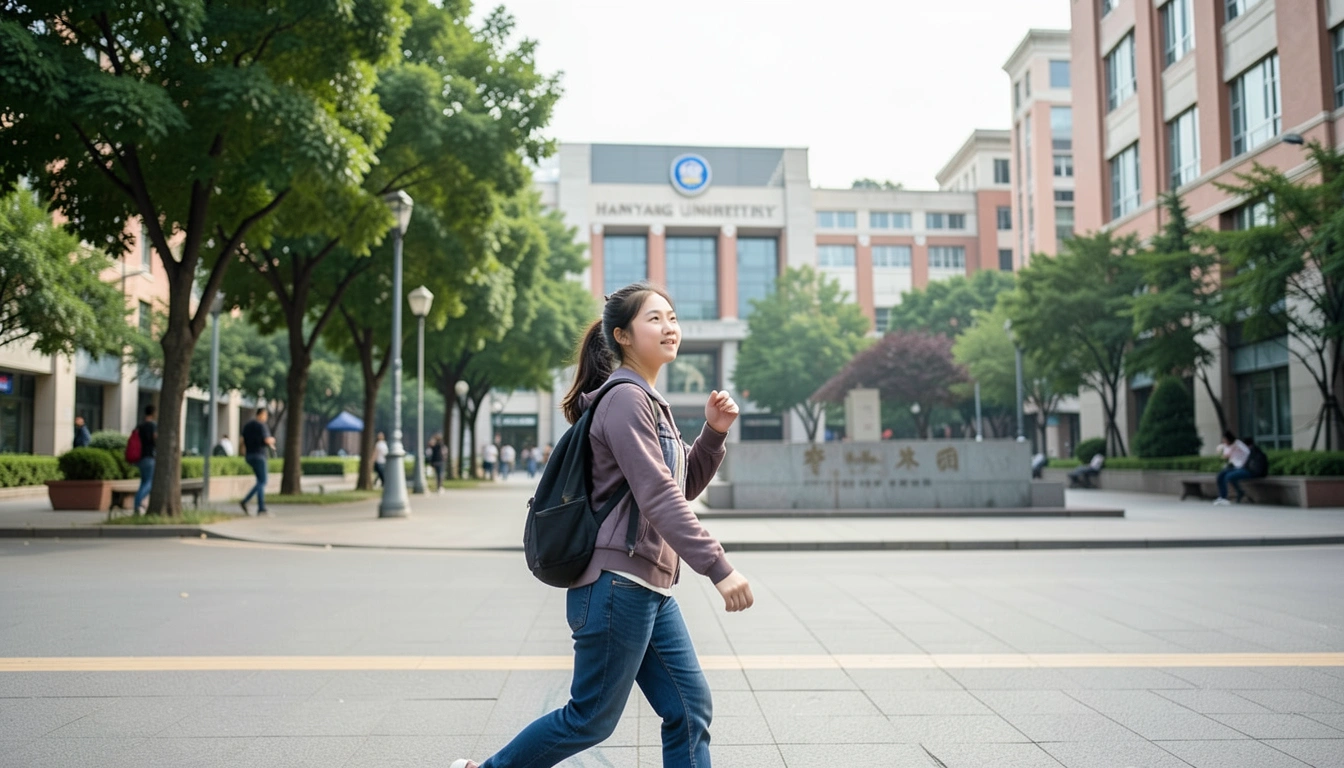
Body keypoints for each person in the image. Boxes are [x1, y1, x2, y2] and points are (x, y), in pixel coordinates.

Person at [450, 282, 752, 768]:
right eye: (655, 319)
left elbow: (682, 482)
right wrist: (718, 567)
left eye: (672, 317)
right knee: (590, 717)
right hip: (617, 586)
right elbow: (658, 495)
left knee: (689, 708)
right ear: (623, 335)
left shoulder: (649, 401)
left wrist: (713, 434)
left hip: (647, 585)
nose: (669, 326)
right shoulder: (625, 400)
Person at [240, 407, 276, 516]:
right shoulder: (261, 425)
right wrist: (272, 440)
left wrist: (242, 452)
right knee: (262, 481)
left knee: (259, 481)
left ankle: (256, 505)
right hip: (259, 456)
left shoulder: (247, 425)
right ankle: (257, 506)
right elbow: (266, 439)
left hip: (249, 456)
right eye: (265, 415)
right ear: (261, 414)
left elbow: (241, 441)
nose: (266, 417)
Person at [1215, 430, 1253, 505]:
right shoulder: (1226, 446)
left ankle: (1234, 494)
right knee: (1220, 475)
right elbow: (1225, 456)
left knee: (1228, 476)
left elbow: (1248, 452)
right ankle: (1222, 496)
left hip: (1242, 466)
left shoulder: (1238, 443)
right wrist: (1221, 449)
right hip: (1233, 466)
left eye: (1225, 439)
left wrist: (1245, 461)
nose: (1224, 441)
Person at [132, 405, 157, 514]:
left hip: (140, 458)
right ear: (153, 413)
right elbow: (155, 439)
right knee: (149, 483)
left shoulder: (140, 426)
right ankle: (137, 504)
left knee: (143, 481)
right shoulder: (153, 426)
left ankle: (138, 504)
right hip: (149, 457)